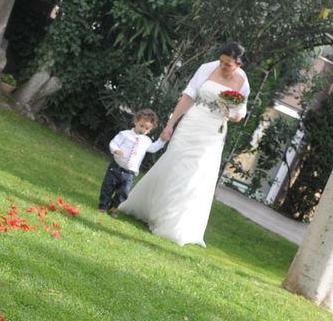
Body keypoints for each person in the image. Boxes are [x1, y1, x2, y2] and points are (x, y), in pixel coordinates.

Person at [119, 42, 250, 246]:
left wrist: (229, 113)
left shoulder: (243, 82)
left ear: (238, 65)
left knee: (195, 172)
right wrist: (171, 124)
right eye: (222, 62)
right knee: (174, 163)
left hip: (213, 131)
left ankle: (172, 223)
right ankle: (152, 210)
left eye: (228, 65)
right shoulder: (207, 68)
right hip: (192, 122)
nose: (223, 67)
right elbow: (188, 96)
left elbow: (240, 114)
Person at [98, 109, 166, 218]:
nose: (143, 129)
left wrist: (162, 141)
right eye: (141, 126)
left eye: (147, 128)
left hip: (130, 173)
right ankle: (103, 206)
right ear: (136, 122)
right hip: (115, 168)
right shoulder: (125, 135)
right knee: (107, 188)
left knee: (123, 193)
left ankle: (114, 207)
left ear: (151, 129)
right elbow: (114, 143)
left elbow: (153, 148)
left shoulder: (146, 141)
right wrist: (116, 150)